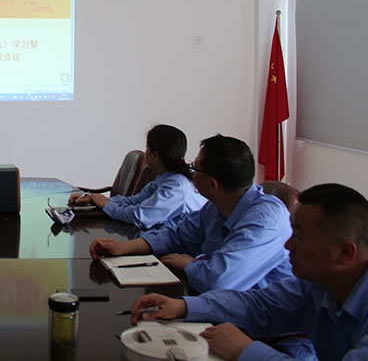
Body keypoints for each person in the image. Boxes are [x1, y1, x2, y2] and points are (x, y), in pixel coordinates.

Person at [129, 183, 368, 360]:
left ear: (344, 253)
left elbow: (221, 279)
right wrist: (184, 306)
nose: (288, 245)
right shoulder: (316, 285)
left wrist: (245, 351)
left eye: (299, 236)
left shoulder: (266, 215)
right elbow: (259, 305)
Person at [90, 134, 292, 292]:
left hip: (265, 323)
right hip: (221, 305)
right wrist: (124, 248)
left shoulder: (266, 220)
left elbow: (219, 280)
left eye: (196, 168)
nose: (191, 173)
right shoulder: (217, 205)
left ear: (212, 185)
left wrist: (189, 264)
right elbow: (176, 236)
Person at [69, 124, 206, 230]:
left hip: (180, 250)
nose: (145, 152)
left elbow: (140, 217)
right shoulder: (165, 178)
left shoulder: (176, 187)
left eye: (147, 148)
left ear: (155, 155)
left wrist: (106, 205)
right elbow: (134, 201)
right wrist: (94, 199)